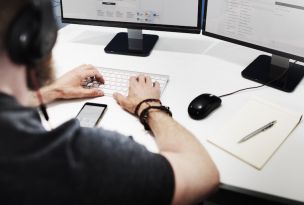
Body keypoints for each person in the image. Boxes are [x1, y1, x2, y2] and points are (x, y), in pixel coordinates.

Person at [0, 1, 219, 204]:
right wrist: (149, 105)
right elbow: (202, 174)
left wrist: (50, 91)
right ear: (38, 38)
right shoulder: (77, 159)